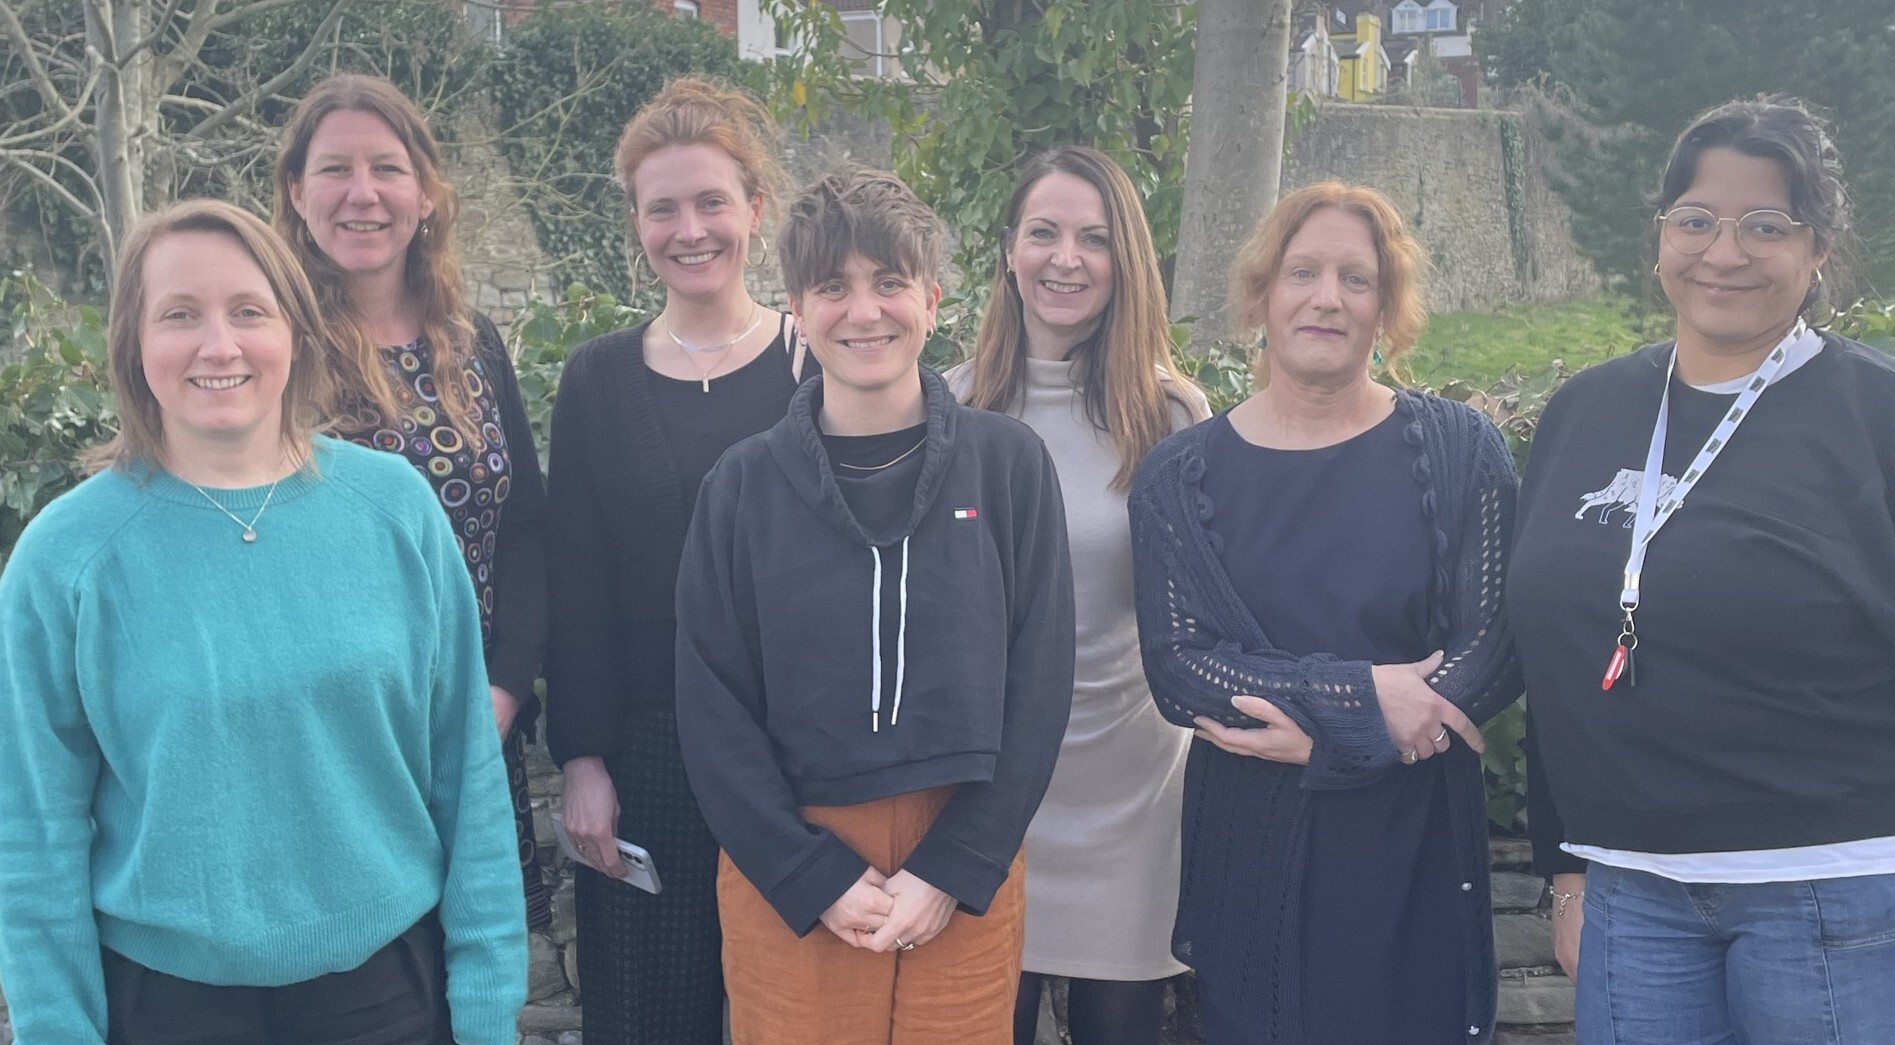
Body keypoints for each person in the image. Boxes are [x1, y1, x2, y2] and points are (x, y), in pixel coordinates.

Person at [0, 199, 527, 1045]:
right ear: (133, 342)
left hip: (387, 993)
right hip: (165, 1006)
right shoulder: (66, 557)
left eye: (249, 310)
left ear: (297, 332)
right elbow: (32, 832)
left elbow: (465, 777)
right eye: (180, 314)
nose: (219, 345)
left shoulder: (395, 510)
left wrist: (488, 1007)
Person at [1512, 96, 1895, 1044]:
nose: (1722, 253)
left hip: (1835, 888)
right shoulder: (1585, 411)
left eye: (1764, 225)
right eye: (1695, 220)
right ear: (1659, 237)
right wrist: (1569, 871)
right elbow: (1554, 655)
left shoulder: (1874, 414)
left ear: (1817, 249)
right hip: (1631, 891)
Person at [674, 166, 1076, 1045]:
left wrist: (954, 866)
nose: (863, 312)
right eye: (833, 287)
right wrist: (806, 873)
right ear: (796, 307)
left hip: (962, 851)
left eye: (889, 282)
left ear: (931, 299)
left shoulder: (1008, 467)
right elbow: (711, 704)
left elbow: (1040, 683)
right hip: (792, 860)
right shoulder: (740, 486)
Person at [1129, 182, 1521, 1045]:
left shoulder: (1460, 450)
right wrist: (1359, 705)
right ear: (1263, 293)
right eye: (1301, 271)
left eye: (1356, 278)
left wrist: (1338, 734)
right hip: (1254, 849)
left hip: (1411, 840)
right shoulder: (1177, 476)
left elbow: (1493, 643)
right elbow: (1181, 668)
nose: (1326, 297)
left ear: (1385, 307)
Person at [542, 76, 810, 1043]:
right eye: (663, 208)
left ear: (755, 209)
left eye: (711, 202)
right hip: (648, 753)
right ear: (636, 222)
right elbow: (573, 583)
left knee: (804, 1012)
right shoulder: (598, 379)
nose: (689, 230)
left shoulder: (817, 365)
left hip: (799, 753)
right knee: (649, 1017)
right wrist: (582, 759)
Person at [272, 73, 552, 929]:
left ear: (425, 193)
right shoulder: (270, 348)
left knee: (473, 969)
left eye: (387, 168)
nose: (363, 193)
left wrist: (502, 694)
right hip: (326, 750)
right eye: (335, 169)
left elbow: (526, 530)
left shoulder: (473, 344)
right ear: (296, 193)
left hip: (472, 733)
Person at [945, 144, 1208, 1045]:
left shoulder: (1172, 418)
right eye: (1043, 232)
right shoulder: (945, 411)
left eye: (1093, 238)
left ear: (1124, 259)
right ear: (1007, 250)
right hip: (987, 798)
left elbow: (1201, 615)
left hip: (1131, 796)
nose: (1066, 258)